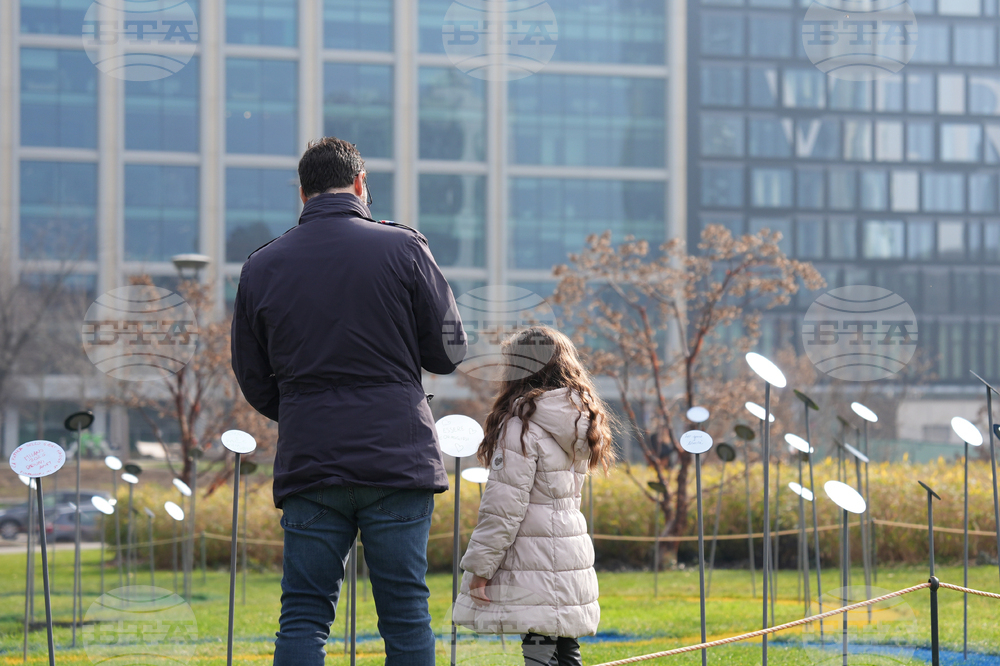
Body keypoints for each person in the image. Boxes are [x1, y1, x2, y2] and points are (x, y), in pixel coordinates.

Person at [230, 136, 467, 666]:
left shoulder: (261, 266)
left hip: (311, 460)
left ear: (302, 193)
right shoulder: (405, 247)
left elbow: (252, 376)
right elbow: (450, 352)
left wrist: (302, 410)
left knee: (303, 615)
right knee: (406, 613)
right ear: (361, 184)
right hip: (397, 457)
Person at [453, 326, 615, 666]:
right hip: (568, 549)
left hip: (533, 555)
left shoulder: (522, 425)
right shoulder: (580, 419)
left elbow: (503, 508)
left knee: (540, 650)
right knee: (563, 648)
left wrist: (481, 568)